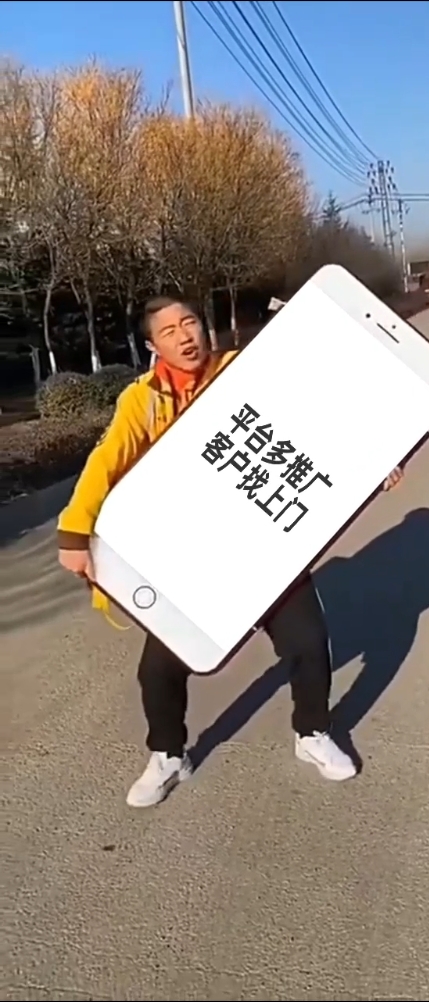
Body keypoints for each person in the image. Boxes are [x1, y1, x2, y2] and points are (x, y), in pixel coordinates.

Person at [57, 296, 404, 808]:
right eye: (169, 331)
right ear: (152, 345)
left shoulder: (245, 370)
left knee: (308, 641)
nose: (185, 336)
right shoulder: (142, 401)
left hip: (269, 544)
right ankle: (168, 755)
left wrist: (375, 457)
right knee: (159, 668)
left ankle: (312, 733)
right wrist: (74, 533)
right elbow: (105, 463)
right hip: (195, 556)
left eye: (190, 323)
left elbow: (317, 414)